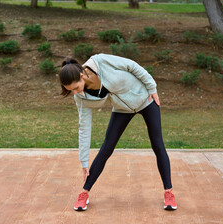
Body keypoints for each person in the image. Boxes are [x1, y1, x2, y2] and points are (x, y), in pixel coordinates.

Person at [58, 53, 177, 211]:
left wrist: (152, 87)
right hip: (122, 109)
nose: (74, 92)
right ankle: (84, 192)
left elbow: (132, 66)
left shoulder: (100, 62)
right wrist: (84, 161)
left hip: (145, 99)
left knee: (157, 143)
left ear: (82, 76)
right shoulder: (80, 97)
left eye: (75, 87)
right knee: (107, 147)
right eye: (70, 90)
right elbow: (84, 126)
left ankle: (169, 193)